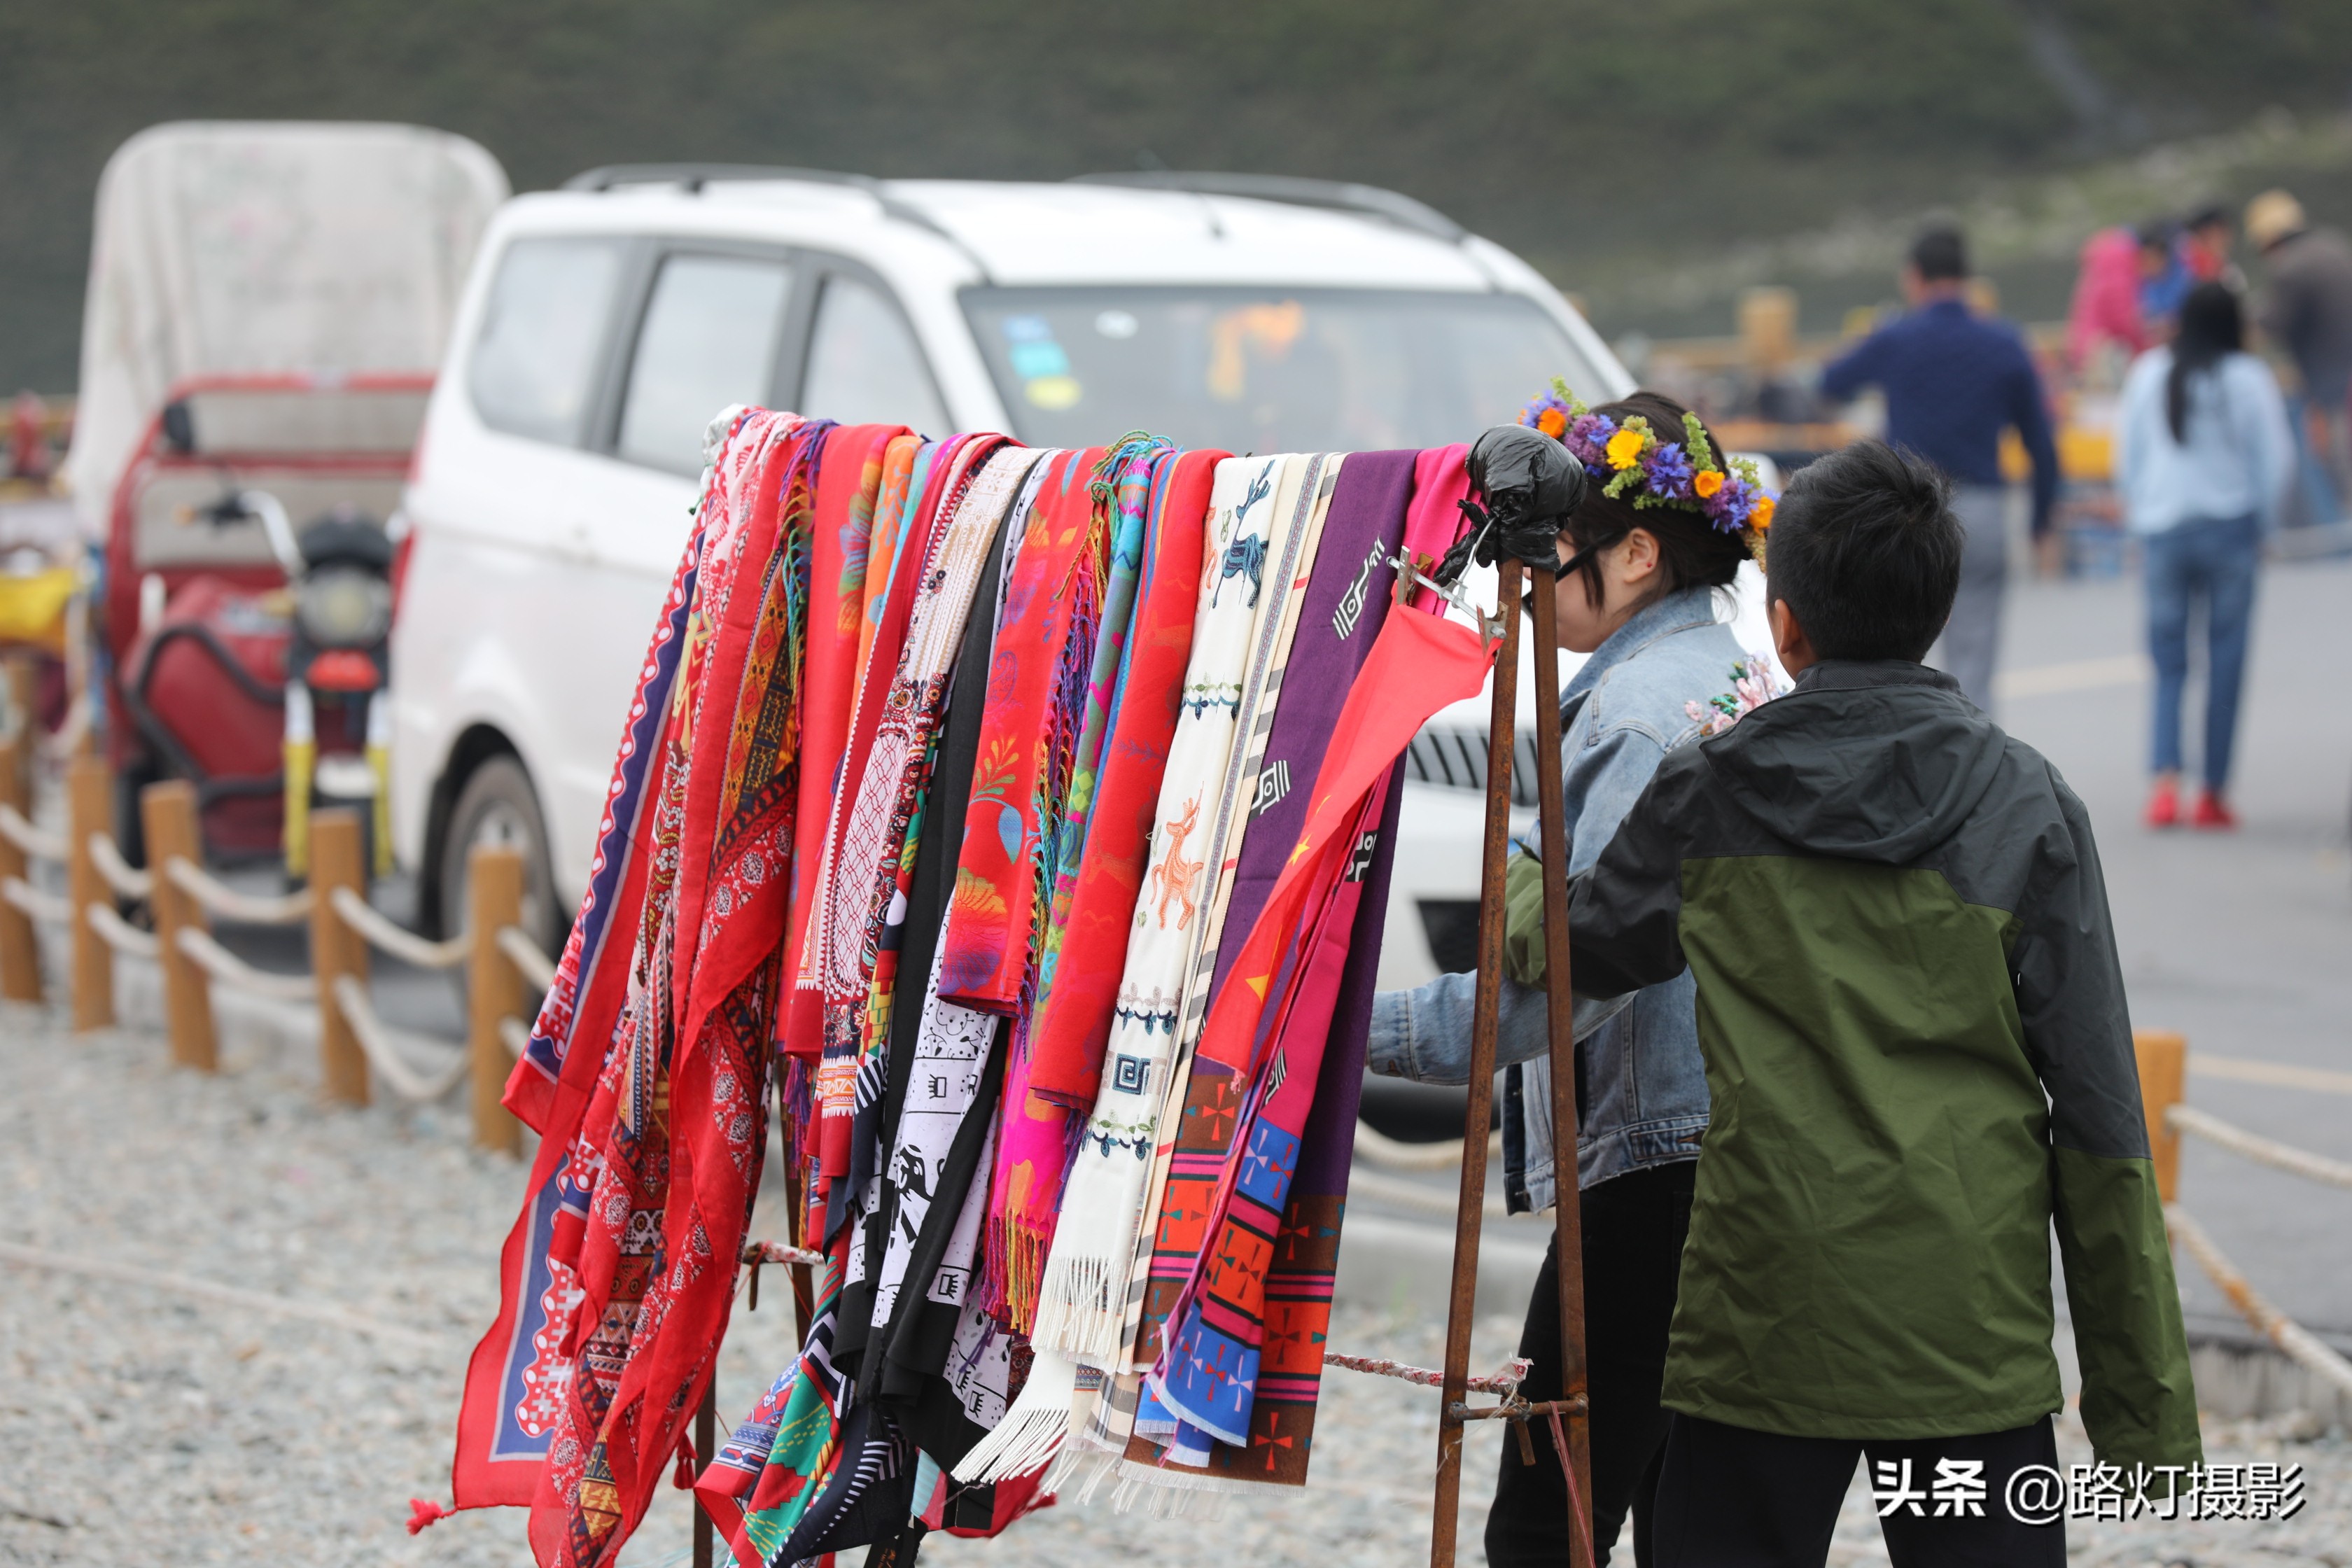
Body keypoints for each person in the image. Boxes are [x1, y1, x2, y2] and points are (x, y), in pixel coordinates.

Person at [1560, 440, 2199, 1567]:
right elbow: (2102, 1121)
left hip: (1765, 1325)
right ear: (1937, 613)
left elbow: (1581, 949)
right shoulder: (2025, 803)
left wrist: (1516, 876)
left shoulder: (1709, 793)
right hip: (1966, 1342)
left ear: (1787, 624)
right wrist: (2145, 1427)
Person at [1367, 390, 1756, 1566]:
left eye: (1558, 549)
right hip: (1726, 1151)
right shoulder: (1730, 680)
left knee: (1547, 1514)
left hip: (1653, 1166)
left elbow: (1574, 981)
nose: (1528, 575)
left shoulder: (1638, 721)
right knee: (1680, 1509)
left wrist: (1352, 1036)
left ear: (1638, 554)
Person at [1821, 225, 2059, 713]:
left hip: (1906, 517)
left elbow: (1831, 382)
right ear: (1967, 278)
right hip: (1983, 516)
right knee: (1974, 668)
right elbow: (2042, 442)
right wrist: (2041, 522)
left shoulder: (1898, 336)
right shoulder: (2004, 342)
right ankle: (1973, 778)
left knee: (1896, 664)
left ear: (1914, 278)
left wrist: (1882, 334)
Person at [2116, 282, 2291, 830]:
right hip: (2231, 527)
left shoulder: (2148, 372)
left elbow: (2130, 459)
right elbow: (2277, 460)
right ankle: (2213, 792)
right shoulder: (2248, 377)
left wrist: (2139, 517)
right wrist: (2267, 524)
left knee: (2169, 662)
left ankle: (2165, 784)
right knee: (2226, 659)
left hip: (2163, 529)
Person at [2246, 188, 2352, 524]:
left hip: (2332, 381)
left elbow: (2270, 325)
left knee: (2336, 458)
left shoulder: (2291, 269)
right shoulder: (2333, 247)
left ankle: (2339, 532)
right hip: (2344, 372)